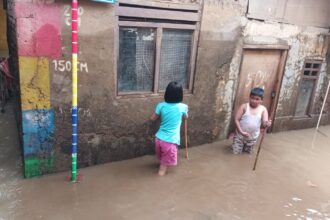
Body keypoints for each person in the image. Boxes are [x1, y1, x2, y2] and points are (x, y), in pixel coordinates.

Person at [150, 81, 188, 176]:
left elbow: (152, 118)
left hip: (158, 139)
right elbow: (186, 117)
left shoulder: (161, 105)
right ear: (180, 95)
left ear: (166, 93)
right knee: (162, 169)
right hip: (170, 141)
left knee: (162, 159)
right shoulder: (183, 107)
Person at [232, 87, 271, 154]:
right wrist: (241, 132)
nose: (254, 100)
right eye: (252, 98)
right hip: (240, 137)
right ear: (249, 97)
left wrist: (267, 124)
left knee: (248, 155)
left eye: (257, 99)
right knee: (235, 153)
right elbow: (236, 119)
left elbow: (264, 123)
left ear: (261, 100)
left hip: (252, 138)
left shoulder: (263, 109)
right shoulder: (244, 106)